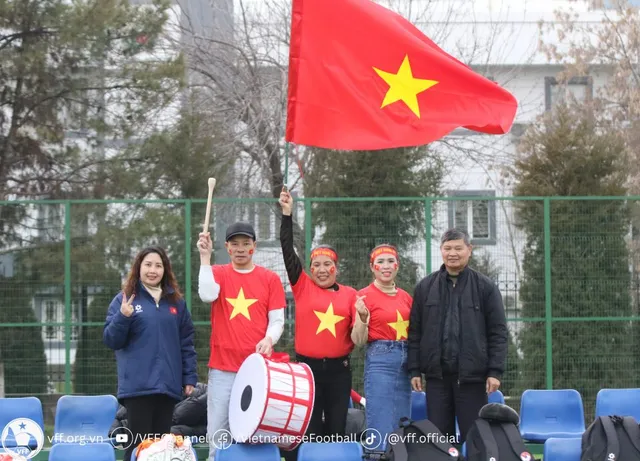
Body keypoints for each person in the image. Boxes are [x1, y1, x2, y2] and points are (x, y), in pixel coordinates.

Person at [407, 228, 508, 443]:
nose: (452, 253)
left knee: (475, 439)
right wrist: (415, 369)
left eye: (458, 248)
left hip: (472, 380)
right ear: (441, 250)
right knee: (439, 441)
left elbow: (498, 332)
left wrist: (495, 371)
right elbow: (415, 332)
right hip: (437, 380)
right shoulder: (425, 287)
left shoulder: (486, 287)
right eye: (447, 248)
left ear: (469, 250)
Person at [197, 222, 286, 461]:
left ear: (254, 247)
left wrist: (269, 338)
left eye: (246, 243)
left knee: (256, 429)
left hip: (259, 370)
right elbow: (206, 295)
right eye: (234, 244)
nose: (240, 248)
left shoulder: (270, 278)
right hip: (223, 368)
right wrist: (205, 258)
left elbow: (277, 320)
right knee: (218, 431)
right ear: (226, 247)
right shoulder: (217, 272)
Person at [279, 189, 359, 451]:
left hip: (339, 372)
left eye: (328, 265)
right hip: (307, 371)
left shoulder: (351, 295)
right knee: (310, 432)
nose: (322, 270)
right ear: (310, 269)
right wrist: (287, 215)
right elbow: (287, 249)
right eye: (317, 265)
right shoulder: (302, 286)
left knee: (336, 429)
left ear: (336, 268)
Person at [103, 246, 197, 461]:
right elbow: (111, 339)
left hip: (168, 387)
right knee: (138, 447)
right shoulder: (124, 300)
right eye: (148, 265)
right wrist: (122, 317)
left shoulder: (177, 304)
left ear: (165, 270)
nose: (152, 270)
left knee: (161, 449)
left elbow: (186, 343)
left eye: (158, 265)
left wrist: (189, 377)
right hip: (137, 388)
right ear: (138, 268)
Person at [351, 243, 413, 450]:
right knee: (380, 421)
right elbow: (358, 340)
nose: (386, 266)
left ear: (397, 265)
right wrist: (362, 317)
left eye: (390, 261)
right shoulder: (363, 296)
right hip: (380, 361)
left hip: (406, 361)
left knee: (402, 422)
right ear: (372, 267)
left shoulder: (406, 297)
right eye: (380, 262)